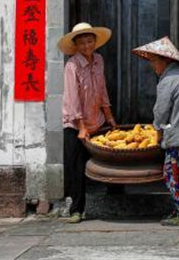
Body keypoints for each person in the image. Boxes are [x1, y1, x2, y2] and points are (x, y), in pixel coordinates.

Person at [132, 37, 179, 226]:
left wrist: (157, 128)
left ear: (164, 60)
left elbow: (161, 111)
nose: (152, 66)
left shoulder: (167, 81)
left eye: (153, 61)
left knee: (172, 174)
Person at [58, 22, 116, 224]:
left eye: (90, 41)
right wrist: (82, 127)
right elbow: (72, 99)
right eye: (82, 43)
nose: (87, 45)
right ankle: (76, 210)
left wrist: (109, 117)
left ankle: (115, 199)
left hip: (97, 121)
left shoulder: (99, 60)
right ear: (75, 46)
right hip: (76, 126)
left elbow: (102, 90)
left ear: (95, 42)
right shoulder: (71, 66)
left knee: (109, 159)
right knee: (76, 168)